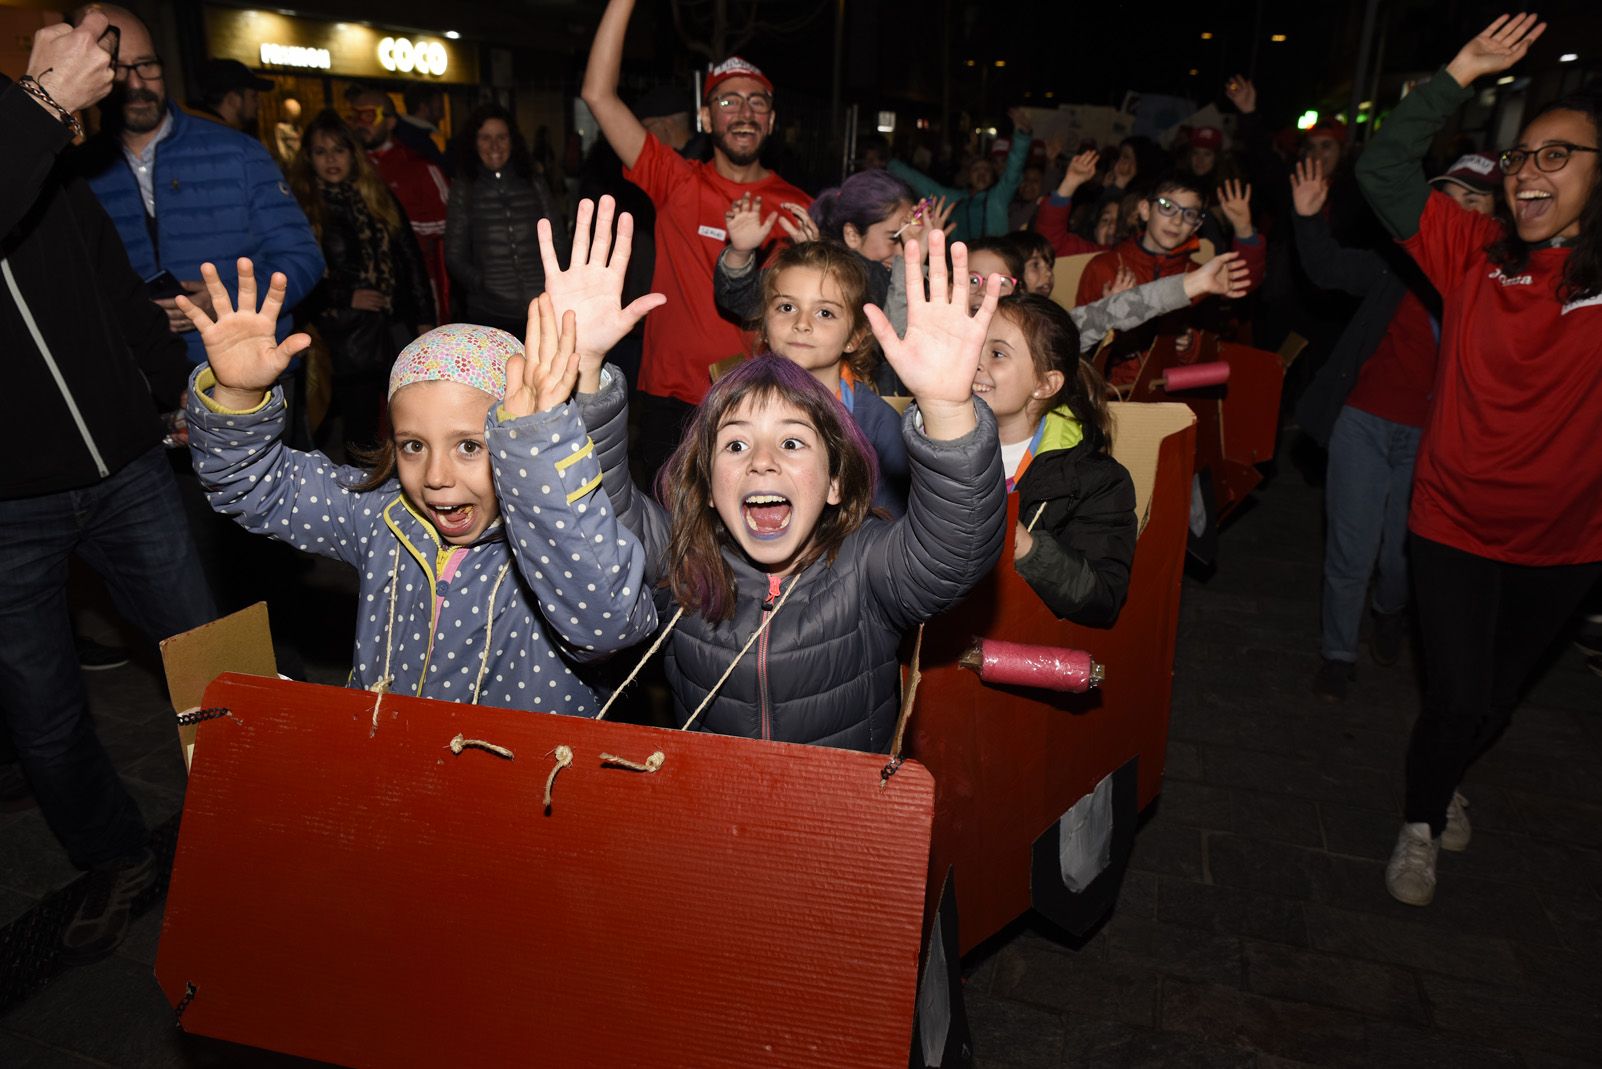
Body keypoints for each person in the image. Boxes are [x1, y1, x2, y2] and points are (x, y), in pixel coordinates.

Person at [572, 227, 1007, 748]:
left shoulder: (865, 566)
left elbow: (955, 549)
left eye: (794, 444)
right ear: (708, 485)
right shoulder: (683, 559)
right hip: (711, 808)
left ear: (836, 482)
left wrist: (947, 408)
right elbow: (598, 513)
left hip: (838, 811)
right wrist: (586, 372)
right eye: (735, 446)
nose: (762, 462)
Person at [1355, 13, 1602, 907]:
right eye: (1522, 156)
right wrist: (1457, 73)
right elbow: (1381, 171)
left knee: (1495, 698)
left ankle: (1447, 770)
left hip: (1566, 546)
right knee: (1456, 695)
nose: (1531, 170)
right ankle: (1419, 823)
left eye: (1559, 155)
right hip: (1451, 525)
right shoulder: (1469, 256)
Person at [178, 260, 657, 713]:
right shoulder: (382, 516)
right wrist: (238, 393)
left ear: (517, 442)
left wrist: (539, 454)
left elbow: (608, 625)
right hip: (388, 764)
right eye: (413, 446)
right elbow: (251, 484)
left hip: (519, 782)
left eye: (469, 446)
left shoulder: (552, 543)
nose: (435, 476)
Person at [2, 10, 216, 962]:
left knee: (210, 659)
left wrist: (173, 397)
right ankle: (115, 853)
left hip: (126, 465)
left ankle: (264, 811)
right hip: (7, 503)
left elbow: (109, 280)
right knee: (44, 715)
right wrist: (42, 106)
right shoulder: (28, 123)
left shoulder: (25, 134)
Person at [1293, 155, 1498, 703]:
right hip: (1361, 422)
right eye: (1446, 201)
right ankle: (1337, 655)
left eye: (1473, 203)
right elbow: (1327, 268)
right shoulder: (1395, 266)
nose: (1456, 214)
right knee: (1349, 550)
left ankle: (1390, 609)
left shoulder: (1499, 286)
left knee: (1400, 559)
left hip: (1434, 437)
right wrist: (1308, 218)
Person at [582, 0, 810, 476]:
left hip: (756, 397)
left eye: (757, 101)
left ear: (771, 121)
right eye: (728, 101)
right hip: (670, 398)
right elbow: (599, 95)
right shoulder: (676, 181)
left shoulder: (800, 207)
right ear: (706, 119)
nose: (743, 112)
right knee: (665, 534)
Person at [74, 4, 323, 373]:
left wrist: (226, 302)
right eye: (119, 69)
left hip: (247, 371)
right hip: (139, 377)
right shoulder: (76, 173)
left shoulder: (237, 151)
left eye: (147, 65)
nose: (138, 84)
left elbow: (304, 259)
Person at [977, 296, 1135, 626]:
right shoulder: (926, 439)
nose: (975, 361)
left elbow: (1102, 598)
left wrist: (1021, 543)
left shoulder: (1094, 481)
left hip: (1017, 638)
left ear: (1045, 384)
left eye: (997, 353)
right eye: (974, 344)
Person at [287, 110, 436, 452]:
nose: (331, 160)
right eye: (321, 152)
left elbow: (409, 259)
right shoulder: (301, 205)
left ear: (353, 154)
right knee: (350, 427)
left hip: (390, 326)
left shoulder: (376, 195)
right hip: (337, 334)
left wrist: (424, 321)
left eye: (339, 150)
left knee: (404, 414)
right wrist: (344, 297)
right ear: (309, 158)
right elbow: (295, 270)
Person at [734, 238, 910, 515]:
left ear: (854, 337)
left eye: (825, 313)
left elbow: (890, 526)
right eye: (787, 307)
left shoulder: (876, 425)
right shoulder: (734, 406)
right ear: (765, 325)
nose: (802, 324)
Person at [1076, 173, 1265, 383]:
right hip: (1111, 393)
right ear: (1146, 210)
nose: (1177, 221)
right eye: (1167, 206)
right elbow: (1076, 348)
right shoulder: (1105, 267)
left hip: (1169, 396)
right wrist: (1110, 314)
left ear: (1196, 227)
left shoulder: (1200, 277)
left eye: (1190, 214)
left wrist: (1190, 346)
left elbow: (1240, 286)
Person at [445, 103, 557, 338]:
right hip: (490, 315)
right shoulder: (464, 187)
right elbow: (454, 256)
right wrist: (484, 284)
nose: (494, 145)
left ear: (512, 141)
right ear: (473, 143)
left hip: (541, 308)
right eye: (485, 138)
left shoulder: (534, 180)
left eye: (501, 137)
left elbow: (558, 237)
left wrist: (556, 284)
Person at [347, 85, 450, 317]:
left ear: (390, 121)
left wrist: (393, 228)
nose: (360, 124)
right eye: (354, 117)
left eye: (368, 115)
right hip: (365, 296)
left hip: (417, 286)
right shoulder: (346, 169)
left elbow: (450, 224)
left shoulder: (421, 167)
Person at [889, 110, 1035, 240]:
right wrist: (889, 163)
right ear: (968, 175)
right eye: (976, 170)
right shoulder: (955, 200)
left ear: (993, 175)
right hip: (962, 262)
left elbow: (1014, 168)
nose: (982, 174)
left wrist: (1022, 135)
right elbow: (923, 184)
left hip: (996, 263)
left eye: (986, 170)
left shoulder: (998, 197)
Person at [194, 58, 269, 134]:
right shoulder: (231, 142)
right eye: (254, 96)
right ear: (233, 100)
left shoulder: (194, 131)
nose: (258, 103)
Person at [395, 83, 450, 174]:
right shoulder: (418, 141)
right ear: (423, 107)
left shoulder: (401, 132)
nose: (443, 115)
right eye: (439, 109)